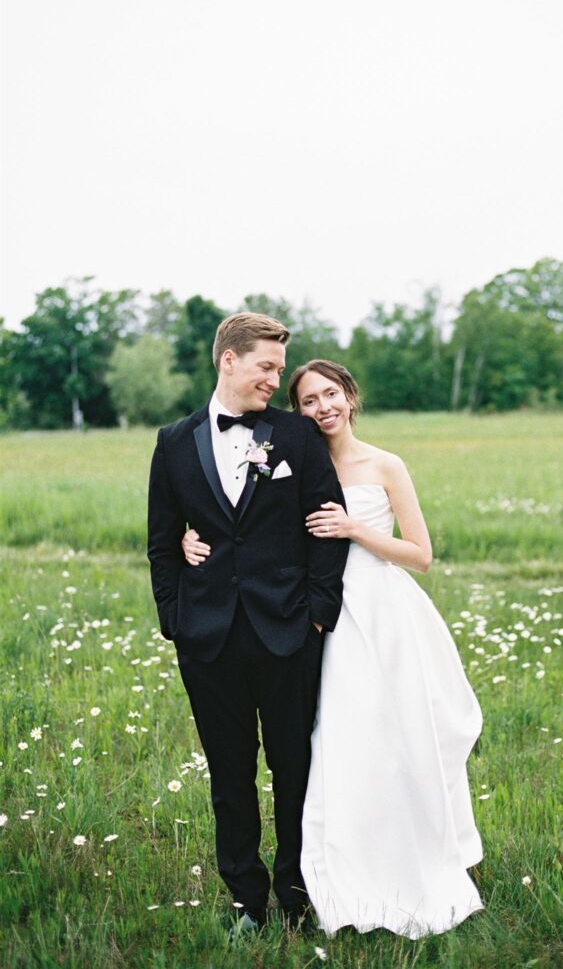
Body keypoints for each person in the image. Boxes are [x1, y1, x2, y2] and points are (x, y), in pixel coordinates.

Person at [182, 358, 485, 939]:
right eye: (308, 401)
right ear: (296, 413)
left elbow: (420, 555)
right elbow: (245, 521)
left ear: (350, 395)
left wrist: (355, 530)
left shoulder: (385, 464)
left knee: (396, 743)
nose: (323, 408)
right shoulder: (290, 458)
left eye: (331, 395)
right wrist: (187, 534)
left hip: (382, 616)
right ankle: (333, 875)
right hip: (317, 620)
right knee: (335, 748)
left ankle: (411, 860)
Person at [147, 315, 349, 936]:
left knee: (295, 769)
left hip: (290, 633)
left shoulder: (296, 436)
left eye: (279, 369)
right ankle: (246, 902)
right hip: (207, 639)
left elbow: (328, 525)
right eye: (266, 367)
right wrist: (174, 620)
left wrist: (319, 615)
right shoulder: (173, 442)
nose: (275, 379)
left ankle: (296, 895)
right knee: (229, 776)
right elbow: (160, 542)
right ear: (228, 361)